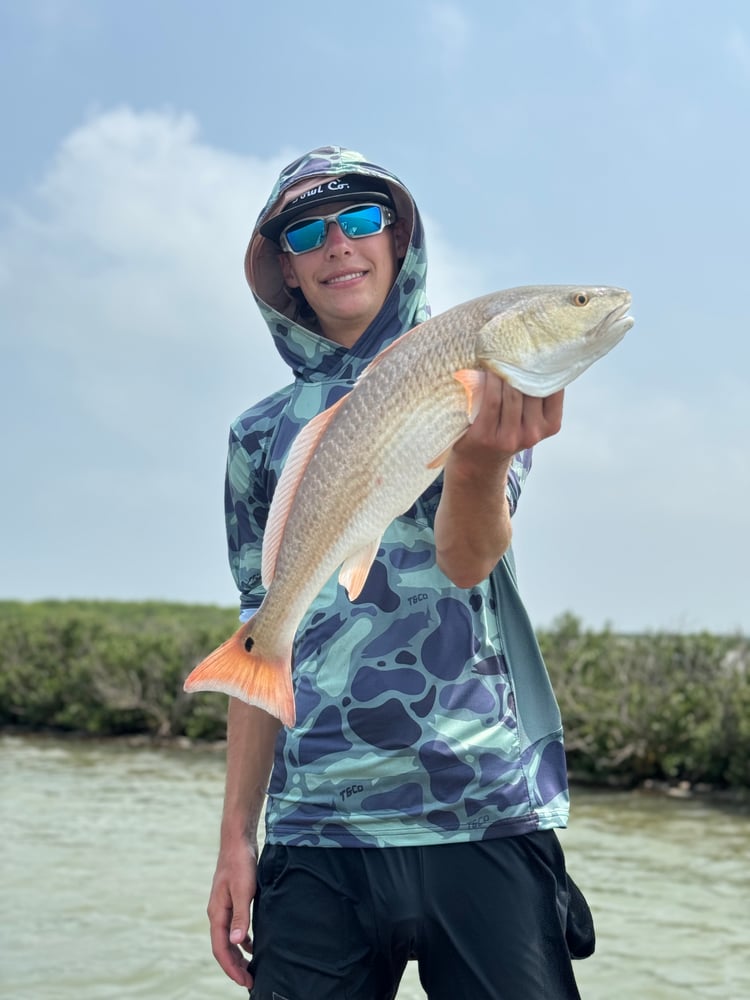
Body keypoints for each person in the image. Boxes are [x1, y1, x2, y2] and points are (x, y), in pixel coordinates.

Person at [207, 146, 594, 1000]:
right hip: (317, 829)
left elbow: (466, 560)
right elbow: (257, 631)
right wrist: (237, 836)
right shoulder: (255, 436)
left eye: (362, 218)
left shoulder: (475, 369)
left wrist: (481, 462)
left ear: (399, 237)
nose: (338, 243)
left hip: (483, 808)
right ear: (286, 270)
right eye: (308, 231)